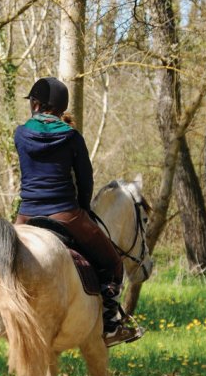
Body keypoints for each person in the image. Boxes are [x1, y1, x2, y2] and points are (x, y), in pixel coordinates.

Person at [14, 77, 141, 347]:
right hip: (65, 213)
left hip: (26, 215)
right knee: (113, 263)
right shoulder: (72, 137)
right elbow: (85, 180)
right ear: (61, 108)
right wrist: (83, 208)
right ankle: (109, 323)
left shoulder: (20, 134)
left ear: (36, 104)